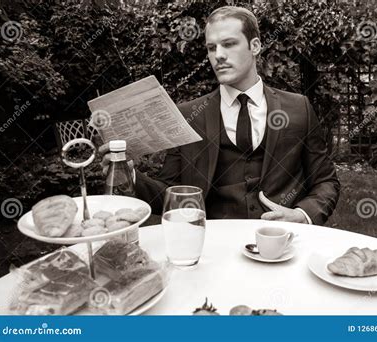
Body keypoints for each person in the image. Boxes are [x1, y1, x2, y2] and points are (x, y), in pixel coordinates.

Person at [100, 6, 340, 225]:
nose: (218, 55)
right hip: (212, 245)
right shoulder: (189, 115)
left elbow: (325, 182)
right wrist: (128, 172)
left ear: (255, 46)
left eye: (229, 44)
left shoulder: (298, 108)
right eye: (211, 47)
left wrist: (301, 215)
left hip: (281, 244)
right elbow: (169, 194)